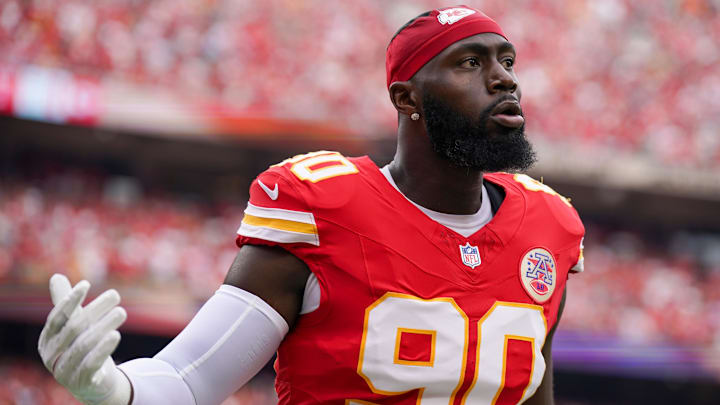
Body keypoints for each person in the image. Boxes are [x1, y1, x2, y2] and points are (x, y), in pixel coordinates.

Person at [38, 5, 585, 405]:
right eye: (470, 63)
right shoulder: (323, 206)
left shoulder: (549, 225)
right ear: (406, 97)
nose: (504, 78)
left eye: (507, 60)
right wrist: (113, 391)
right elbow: (189, 378)